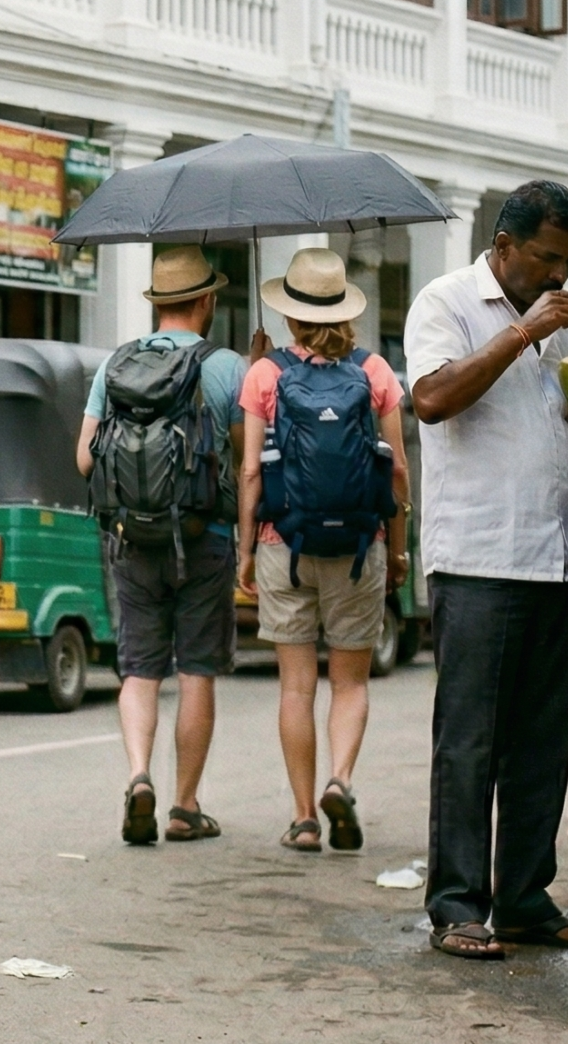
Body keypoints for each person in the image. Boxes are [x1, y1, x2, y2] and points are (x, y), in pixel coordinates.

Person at [408, 180, 568, 960]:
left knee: (541, 744)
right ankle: (458, 906)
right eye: (547, 258)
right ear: (503, 248)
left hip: (553, 555)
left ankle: (526, 898)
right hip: (478, 559)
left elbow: (561, 415)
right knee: (468, 742)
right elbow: (431, 399)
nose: (560, 274)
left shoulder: (564, 319)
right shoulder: (447, 302)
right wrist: (522, 332)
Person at [234, 249, 407, 854]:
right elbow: (398, 470)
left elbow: (252, 472)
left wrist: (247, 552)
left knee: (295, 687)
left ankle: (304, 817)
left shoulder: (265, 374)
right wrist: (401, 550)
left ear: (290, 313)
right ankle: (342, 779)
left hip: (286, 542)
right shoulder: (376, 371)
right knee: (351, 684)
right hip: (362, 546)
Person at [75, 246, 247, 846]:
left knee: (140, 670)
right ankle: (185, 805)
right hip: (205, 540)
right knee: (196, 670)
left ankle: (138, 775)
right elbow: (248, 461)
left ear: (158, 305)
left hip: (132, 541)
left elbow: (83, 457)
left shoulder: (116, 366)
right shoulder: (226, 367)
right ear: (206, 301)